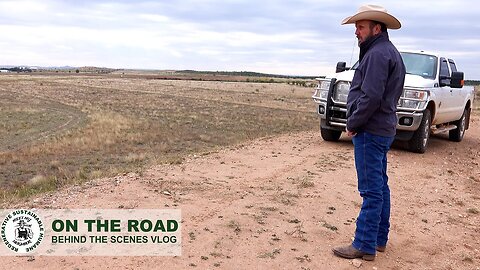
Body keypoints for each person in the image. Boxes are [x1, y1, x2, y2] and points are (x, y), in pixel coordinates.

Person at [332, 4, 406, 261]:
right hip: (382, 129)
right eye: (356, 26)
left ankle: (364, 243)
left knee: (371, 190)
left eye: (360, 26)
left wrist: (353, 122)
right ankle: (379, 239)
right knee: (380, 186)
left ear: (377, 28)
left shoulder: (376, 55)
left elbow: (371, 96)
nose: (356, 31)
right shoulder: (389, 52)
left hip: (371, 131)